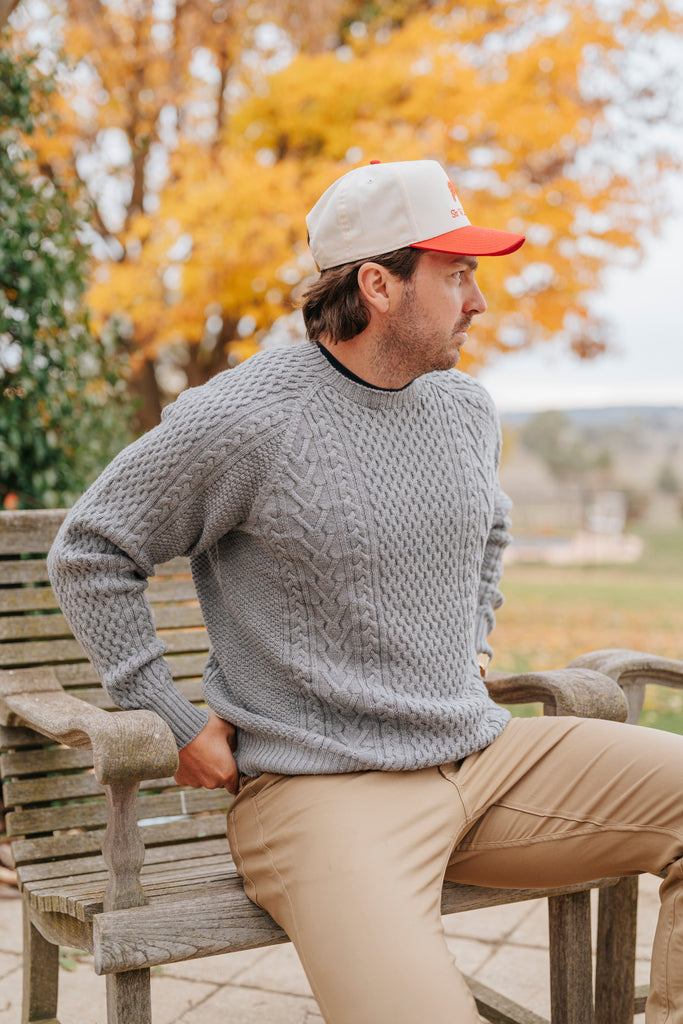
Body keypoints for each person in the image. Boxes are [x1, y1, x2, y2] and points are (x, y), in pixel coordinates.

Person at [48, 159, 683, 1024]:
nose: (478, 301)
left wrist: (472, 645)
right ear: (378, 284)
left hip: (482, 759)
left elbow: (488, 529)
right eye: (456, 275)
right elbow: (90, 549)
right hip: (320, 794)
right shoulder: (243, 417)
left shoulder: (463, 408)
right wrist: (172, 715)